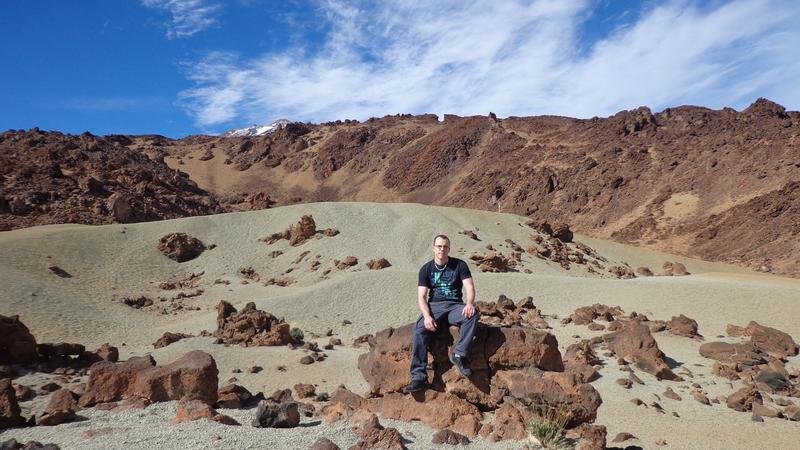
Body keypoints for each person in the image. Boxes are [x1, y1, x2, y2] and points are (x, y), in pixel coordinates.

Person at [402, 234, 480, 393]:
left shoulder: (460, 265)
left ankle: (459, 355)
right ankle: (418, 377)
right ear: (433, 248)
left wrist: (469, 303)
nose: (442, 249)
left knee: (472, 314)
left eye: (445, 246)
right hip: (435, 306)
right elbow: (421, 296)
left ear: (449, 249)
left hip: (455, 306)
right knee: (419, 330)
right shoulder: (426, 269)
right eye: (439, 246)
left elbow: (469, 287)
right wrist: (427, 316)